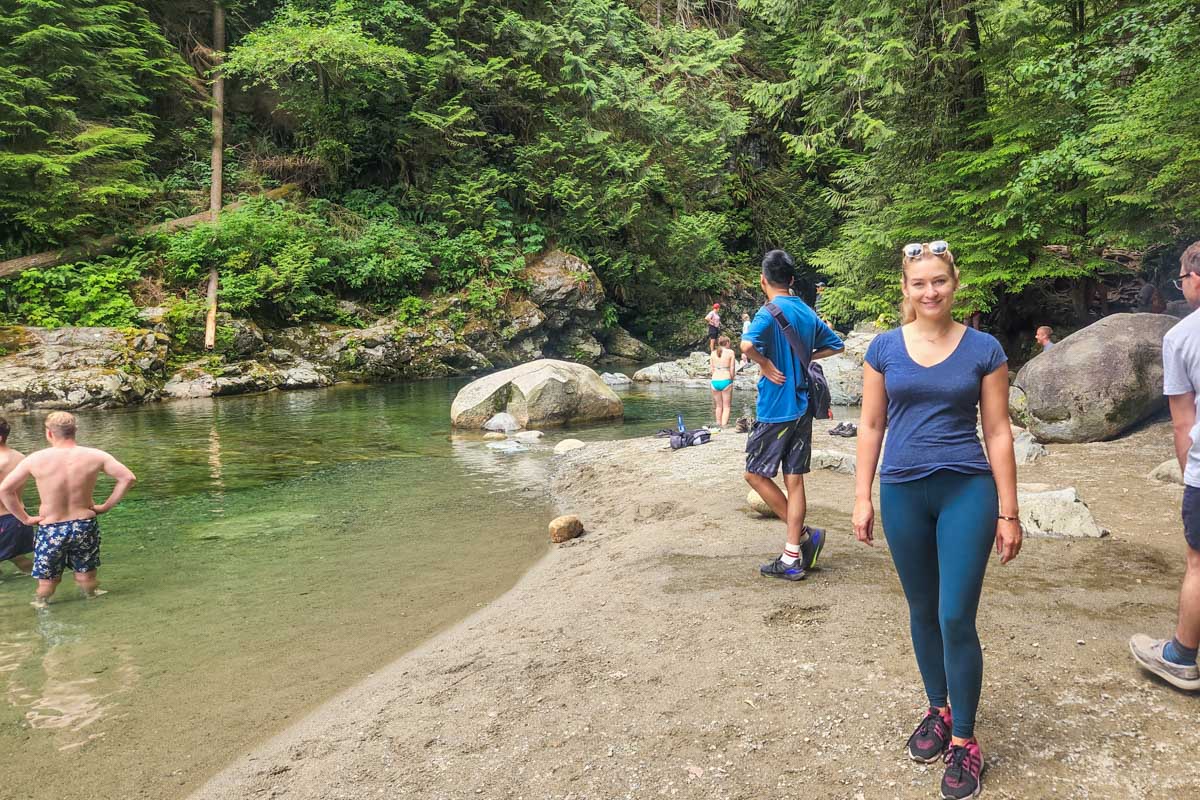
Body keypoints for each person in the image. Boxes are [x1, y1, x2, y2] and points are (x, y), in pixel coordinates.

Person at [852, 240, 1021, 800]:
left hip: (965, 489)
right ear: (905, 288)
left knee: (955, 616)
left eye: (939, 281)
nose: (931, 292)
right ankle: (938, 709)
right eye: (920, 283)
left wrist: (1009, 510)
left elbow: (997, 431)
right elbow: (871, 425)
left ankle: (965, 740)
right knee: (923, 610)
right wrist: (861, 496)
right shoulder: (883, 348)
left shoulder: (984, 349)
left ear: (954, 284)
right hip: (902, 489)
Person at [741, 250, 844, 581]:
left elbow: (746, 346)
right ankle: (792, 554)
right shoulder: (805, 310)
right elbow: (837, 345)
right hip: (803, 406)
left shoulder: (768, 312)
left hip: (776, 407)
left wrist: (765, 364)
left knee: (755, 475)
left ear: (763, 280)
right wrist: (807, 356)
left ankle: (802, 538)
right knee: (794, 479)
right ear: (792, 280)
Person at [1130, 240, 1200, 691]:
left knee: (1199, 565)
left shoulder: (1181, 337)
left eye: (1182, 279)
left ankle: (1180, 656)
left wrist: (1187, 474)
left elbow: (1182, 421)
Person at [0, 411, 137, 609]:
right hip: (84, 524)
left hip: (51, 527)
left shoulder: (35, 459)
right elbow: (128, 478)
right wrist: (106, 506)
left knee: (47, 582)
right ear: (75, 430)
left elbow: (5, 490)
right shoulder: (96, 455)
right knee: (86, 576)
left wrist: (25, 518)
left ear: (49, 433)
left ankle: (41, 604)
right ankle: (92, 599)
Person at [0, 418, 34, 576]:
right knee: (17, 557)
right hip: (17, 517)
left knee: (16, 557)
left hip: (3, 519)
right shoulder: (20, 457)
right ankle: (42, 577)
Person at [709, 336, 737, 430]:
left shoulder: (713, 353)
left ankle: (718, 424)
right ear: (727, 343)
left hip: (714, 381)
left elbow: (712, 369)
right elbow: (732, 368)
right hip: (726, 380)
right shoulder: (731, 352)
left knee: (718, 406)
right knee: (726, 406)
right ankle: (724, 426)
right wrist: (731, 379)